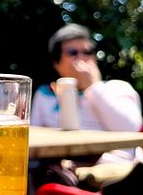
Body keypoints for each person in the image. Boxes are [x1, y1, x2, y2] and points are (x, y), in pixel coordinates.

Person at [31, 23, 142, 162]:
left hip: (111, 169)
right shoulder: (45, 94)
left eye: (87, 52)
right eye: (73, 53)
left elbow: (131, 129)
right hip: (61, 168)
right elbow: (32, 139)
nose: (82, 58)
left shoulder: (117, 88)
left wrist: (93, 86)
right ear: (56, 64)